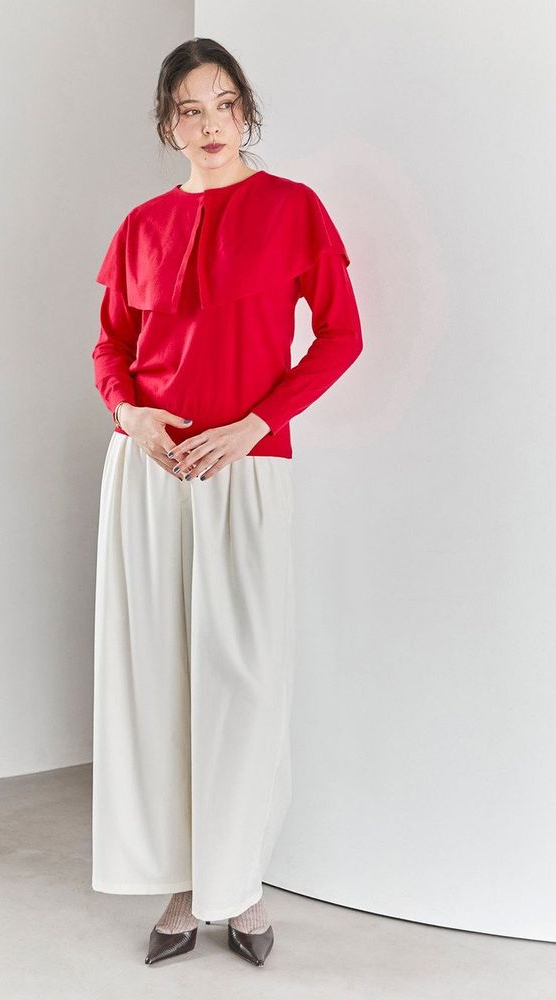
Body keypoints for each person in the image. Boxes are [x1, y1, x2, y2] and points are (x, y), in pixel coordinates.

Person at [89, 38, 363, 968]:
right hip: (150, 472)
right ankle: (180, 885)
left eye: (224, 104)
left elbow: (341, 336)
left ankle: (237, 883)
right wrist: (130, 413)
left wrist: (255, 423)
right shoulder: (141, 225)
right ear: (167, 125)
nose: (210, 125)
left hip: (244, 467)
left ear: (246, 110)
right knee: (157, 679)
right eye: (189, 110)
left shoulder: (293, 208)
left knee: (242, 678)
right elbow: (110, 347)